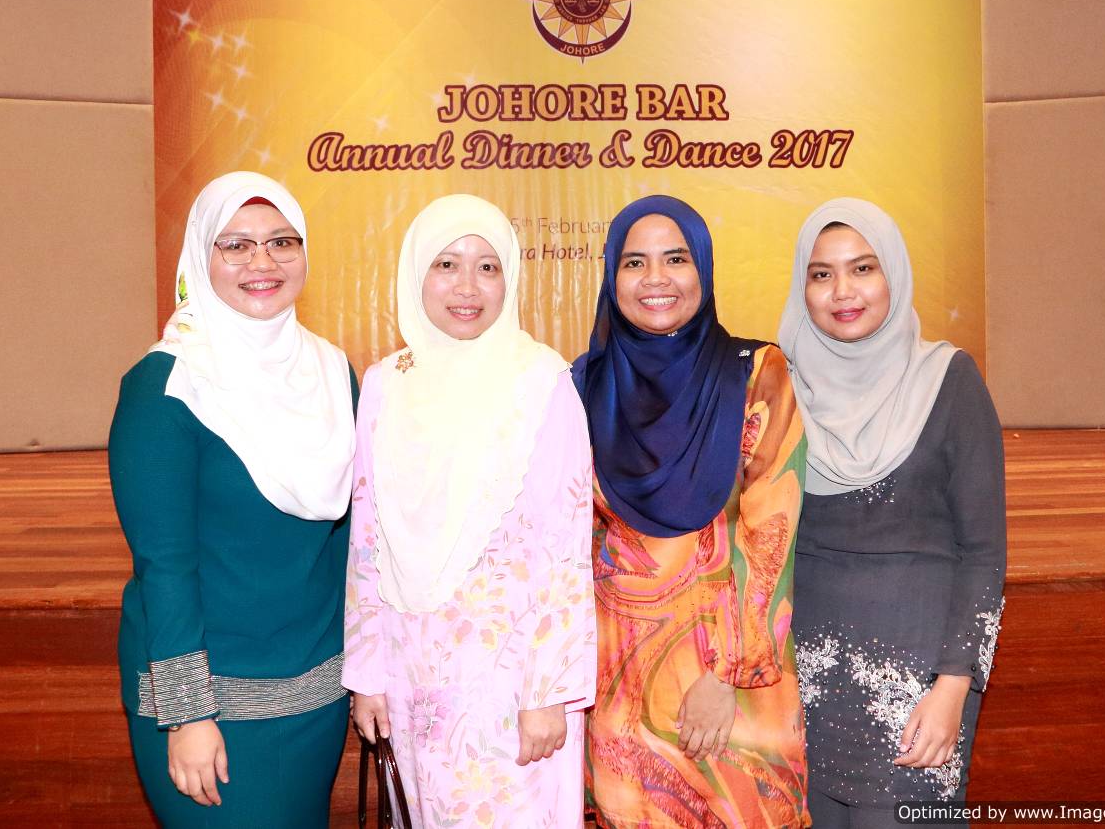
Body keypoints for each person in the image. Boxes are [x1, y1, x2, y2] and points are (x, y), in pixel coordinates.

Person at [109, 172, 358, 828]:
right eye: (236, 245)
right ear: (201, 255)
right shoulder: (166, 386)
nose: (262, 262)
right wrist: (188, 714)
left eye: (282, 241)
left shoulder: (334, 373)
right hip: (209, 705)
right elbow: (164, 565)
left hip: (315, 693)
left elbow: (349, 541)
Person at [342, 194, 597, 828]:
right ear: (416, 274)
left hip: (513, 686)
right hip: (413, 678)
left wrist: (549, 691)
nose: (467, 286)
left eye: (487, 267)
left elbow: (564, 546)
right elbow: (367, 536)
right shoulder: (386, 384)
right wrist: (368, 673)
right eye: (446, 264)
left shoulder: (542, 383)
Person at [575, 195, 809, 829]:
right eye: (634, 262)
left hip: (733, 686)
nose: (656, 278)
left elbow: (772, 530)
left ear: (702, 268)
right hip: (620, 688)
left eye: (675, 259)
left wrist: (727, 672)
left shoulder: (757, 374)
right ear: (611, 277)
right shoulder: (582, 385)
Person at [777, 198, 1006, 828]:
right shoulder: (781, 390)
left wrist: (954, 685)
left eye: (863, 268)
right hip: (806, 683)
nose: (842, 291)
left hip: (917, 687)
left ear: (893, 275)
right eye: (821, 274)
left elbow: (984, 554)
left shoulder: (949, 380)